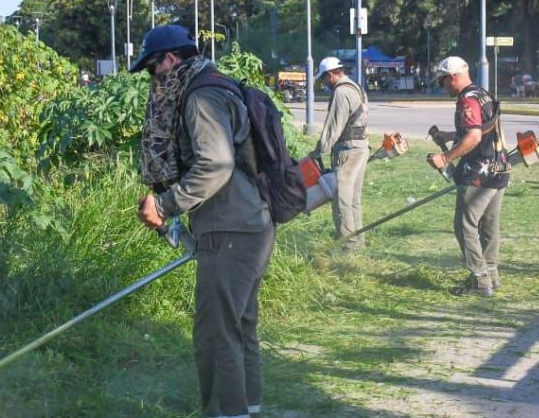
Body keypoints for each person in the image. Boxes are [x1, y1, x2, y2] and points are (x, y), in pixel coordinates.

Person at [131, 25, 275, 418]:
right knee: (239, 328)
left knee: (216, 336)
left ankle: (227, 413)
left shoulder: (201, 96)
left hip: (230, 229)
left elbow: (216, 164)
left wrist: (164, 205)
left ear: (172, 59)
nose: (152, 78)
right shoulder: (213, 84)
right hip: (247, 225)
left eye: (152, 68)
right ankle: (249, 409)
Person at [426, 56, 509, 297]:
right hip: (499, 169)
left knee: (464, 225)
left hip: (478, 173)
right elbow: (480, 130)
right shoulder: (483, 94)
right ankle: (492, 275)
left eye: (442, 82)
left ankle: (480, 280)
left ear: (452, 78)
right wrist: (451, 134)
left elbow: (473, 138)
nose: (442, 88)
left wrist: (445, 158)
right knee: (489, 226)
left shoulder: (467, 100)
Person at [308, 56, 369, 249]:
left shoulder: (341, 92)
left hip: (348, 150)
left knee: (341, 198)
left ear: (331, 74)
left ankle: (348, 245)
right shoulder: (354, 86)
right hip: (360, 146)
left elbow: (333, 127)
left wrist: (318, 151)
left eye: (324, 78)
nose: (324, 82)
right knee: (353, 199)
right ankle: (358, 241)